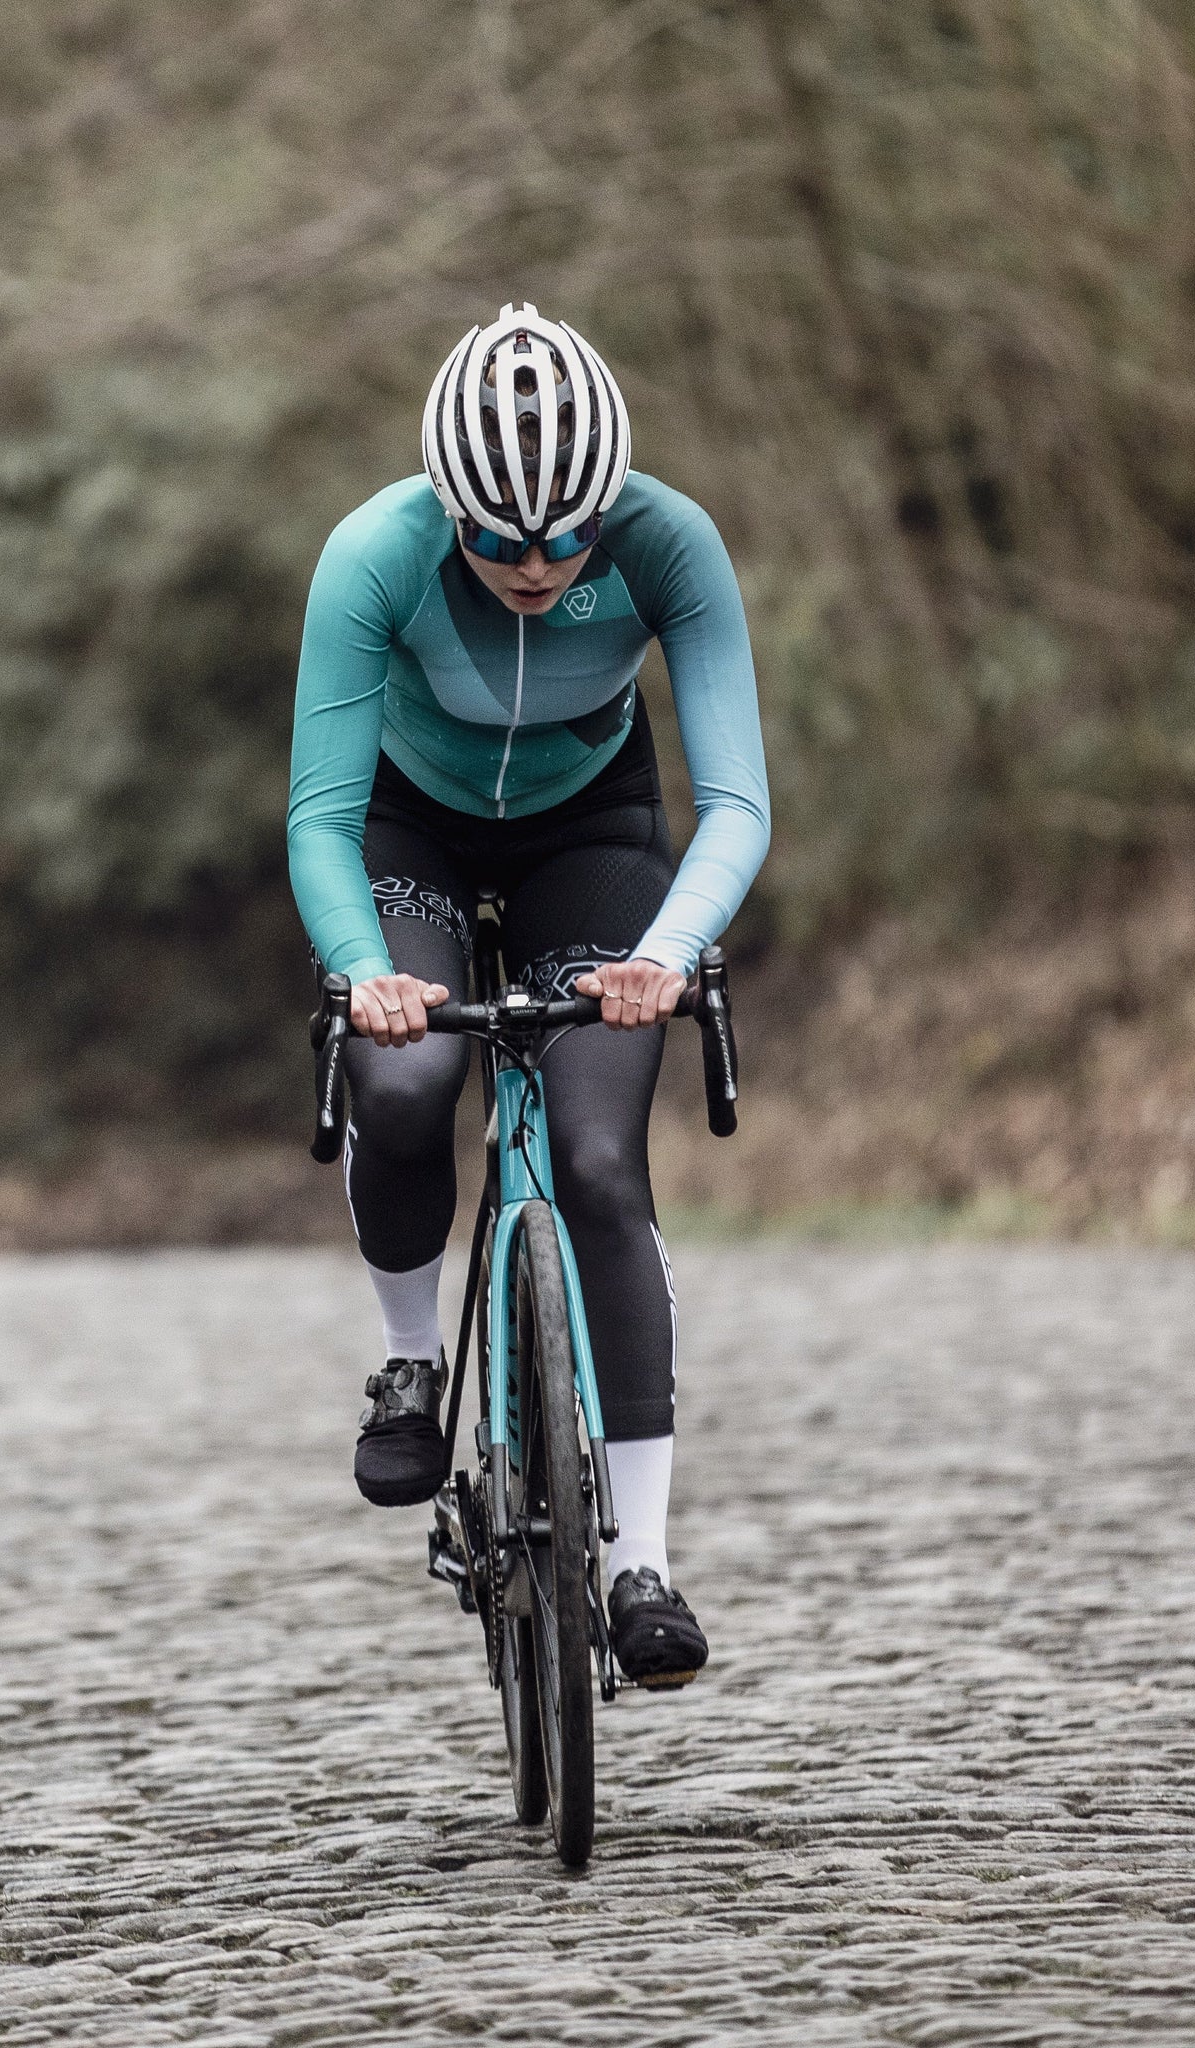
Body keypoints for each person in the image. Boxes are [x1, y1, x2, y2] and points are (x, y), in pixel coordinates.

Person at [286, 304, 769, 1687]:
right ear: (451, 509)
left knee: (601, 1163)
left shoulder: (669, 544)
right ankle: (409, 1363)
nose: (538, 567)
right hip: (409, 831)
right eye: (500, 542)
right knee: (404, 1081)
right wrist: (363, 971)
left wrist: (665, 954)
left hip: (590, 836)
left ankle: (641, 1562)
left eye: (567, 539)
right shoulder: (373, 554)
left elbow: (736, 801)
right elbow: (320, 819)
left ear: (608, 505)